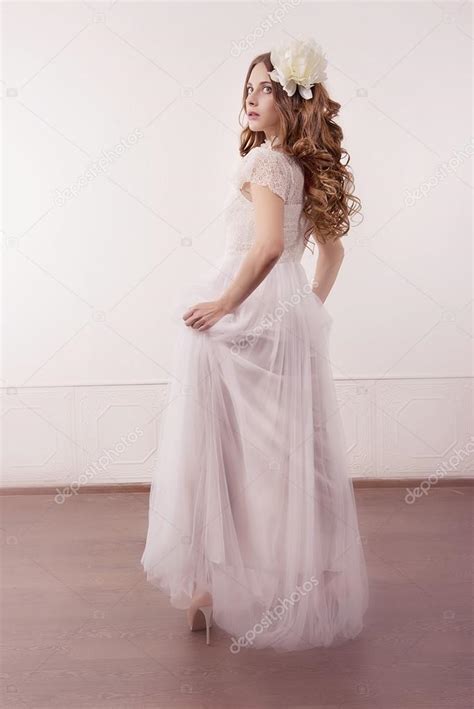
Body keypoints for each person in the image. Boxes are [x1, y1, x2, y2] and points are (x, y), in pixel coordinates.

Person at [141, 36, 369, 652]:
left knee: (221, 449)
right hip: (281, 314)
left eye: (264, 87)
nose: (251, 97)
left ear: (291, 99)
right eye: (247, 88)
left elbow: (268, 247)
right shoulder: (297, 166)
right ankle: (301, 579)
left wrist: (225, 304)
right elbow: (332, 253)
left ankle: (206, 589)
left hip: (249, 310)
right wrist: (305, 314)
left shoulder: (267, 164)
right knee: (291, 454)